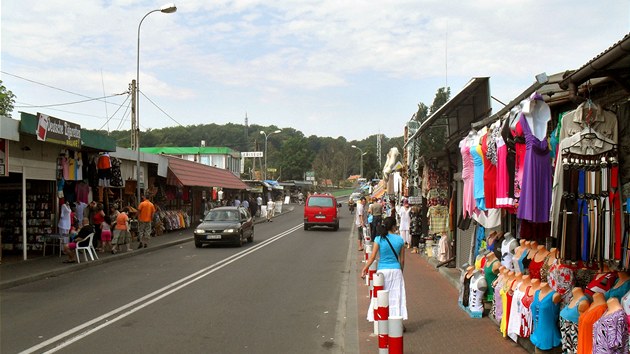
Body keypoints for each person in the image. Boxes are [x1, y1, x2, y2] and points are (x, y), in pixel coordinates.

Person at [361, 216, 408, 325]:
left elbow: (372, 257)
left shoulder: (379, 239)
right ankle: (397, 322)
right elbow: (402, 260)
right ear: (393, 226)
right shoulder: (400, 240)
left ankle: (381, 320)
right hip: (396, 270)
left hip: (382, 271)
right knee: (396, 296)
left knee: (381, 296)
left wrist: (365, 269)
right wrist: (401, 271)